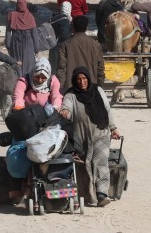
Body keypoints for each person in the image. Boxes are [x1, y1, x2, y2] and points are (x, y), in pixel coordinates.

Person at [60, 67, 122, 207]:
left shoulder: (98, 91)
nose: (82, 82)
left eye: (84, 78)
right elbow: (67, 107)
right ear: (75, 81)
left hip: (101, 134)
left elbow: (107, 109)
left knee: (100, 162)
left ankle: (102, 193)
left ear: (88, 78)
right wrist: (65, 111)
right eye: (79, 79)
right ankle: (89, 195)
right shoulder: (71, 95)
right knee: (84, 167)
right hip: (81, 140)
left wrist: (113, 128)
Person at [56, 16, 105, 93]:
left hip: (71, 89)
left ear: (73, 27)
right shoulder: (96, 45)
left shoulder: (65, 45)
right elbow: (100, 68)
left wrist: (60, 88)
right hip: (91, 88)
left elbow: (62, 68)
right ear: (86, 28)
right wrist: (100, 86)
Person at [5, 0, 38, 76]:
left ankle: (18, 81)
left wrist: (8, 45)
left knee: (17, 62)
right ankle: (26, 82)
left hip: (16, 42)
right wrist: (37, 48)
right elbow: (34, 34)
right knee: (28, 63)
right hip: (28, 43)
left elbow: (8, 32)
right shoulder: (30, 16)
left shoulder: (11, 15)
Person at [49, 2, 72, 74]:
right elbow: (65, 35)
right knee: (60, 70)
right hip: (60, 48)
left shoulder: (54, 18)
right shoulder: (64, 20)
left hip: (53, 46)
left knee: (53, 68)